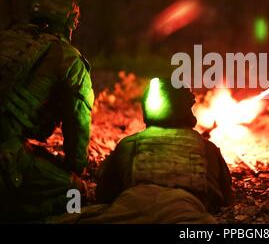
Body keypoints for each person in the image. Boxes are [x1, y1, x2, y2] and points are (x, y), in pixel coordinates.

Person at [57, 77, 232, 224]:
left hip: (125, 212)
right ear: (182, 108)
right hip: (184, 215)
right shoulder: (207, 149)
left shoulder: (128, 144)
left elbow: (104, 193)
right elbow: (225, 197)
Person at [0, 0, 94, 222]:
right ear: (69, 20)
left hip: (9, 143)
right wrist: (76, 168)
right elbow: (77, 126)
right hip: (6, 154)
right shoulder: (69, 59)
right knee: (75, 191)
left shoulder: (5, 38)